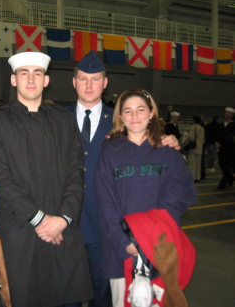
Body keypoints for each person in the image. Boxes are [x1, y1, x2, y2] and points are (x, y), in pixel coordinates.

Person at [66, 50, 180, 307]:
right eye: (83, 79)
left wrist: (165, 142)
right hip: (65, 226)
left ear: (105, 83)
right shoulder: (57, 119)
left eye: (95, 79)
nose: (88, 85)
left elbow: (145, 144)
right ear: (74, 82)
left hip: (105, 227)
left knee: (103, 295)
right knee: (65, 294)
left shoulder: (121, 122)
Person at [0, 52, 93, 307]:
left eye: (37, 73)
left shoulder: (63, 119)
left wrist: (63, 218)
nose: (31, 79)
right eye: (24, 73)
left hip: (62, 232)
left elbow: (76, 171)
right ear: (13, 80)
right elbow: (0, 178)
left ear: (46, 80)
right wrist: (41, 219)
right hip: (21, 234)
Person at [94, 89, 197, 307]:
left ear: (151, 114)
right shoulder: (110, 151)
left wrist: (151, 236)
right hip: (122, 250)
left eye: (140, 110)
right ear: (120, 116)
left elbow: (178, 194)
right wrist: (124, 242)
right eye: (128, 111)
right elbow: (105, 202)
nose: (134, 116)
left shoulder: (168, 151)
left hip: (160, 245)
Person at [216, 107, 235, 189]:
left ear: (232, 115)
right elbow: (217, 135)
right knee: (222, 165)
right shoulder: (220, 125)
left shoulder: (234, 124)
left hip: (231, 148)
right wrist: (217, 142)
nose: (227, 114)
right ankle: (230, 178)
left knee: (227, 165)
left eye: (229, 113)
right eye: (226, 112)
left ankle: (223, 183)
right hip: (222, 148)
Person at [187, 115, 205, 182]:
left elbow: (191, 138)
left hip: (193, 148)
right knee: (198, 164)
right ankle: (198, 177)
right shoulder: (202, 128)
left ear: (194, 120)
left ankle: (193, 177)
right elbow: (203, 140)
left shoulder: (192, 127)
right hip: (200, 148)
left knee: (192, 164)